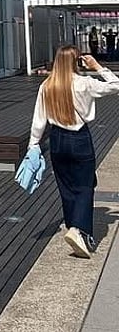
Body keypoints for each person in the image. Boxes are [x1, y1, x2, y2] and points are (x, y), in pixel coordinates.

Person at [28, 45, 119, 258]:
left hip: (57, 139)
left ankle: (73, 227)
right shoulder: (84, 83)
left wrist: (33, 145)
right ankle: (78, 230)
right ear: (76, 62)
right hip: (79, 138)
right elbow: (116, 85)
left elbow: (38, 120)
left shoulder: (47, 85)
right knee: (85, 185)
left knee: (66, 186)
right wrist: (97, 66)